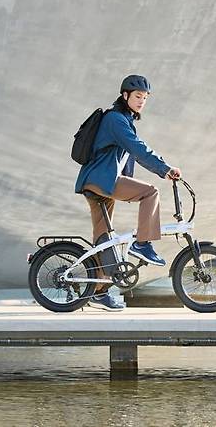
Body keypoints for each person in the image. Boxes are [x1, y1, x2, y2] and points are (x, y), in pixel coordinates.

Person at [75, 75, 181, 311]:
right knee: (150, 192)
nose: (141, 101)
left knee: (104, 240)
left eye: (144, 98)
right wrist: (165, 170)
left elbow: (134, 154)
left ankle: (100, 291)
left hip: (96, 181)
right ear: (125, 96)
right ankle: (142, 244)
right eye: (137, 97)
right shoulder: (115, 119)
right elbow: (138, 149)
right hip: (102, 180)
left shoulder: (122, 119)